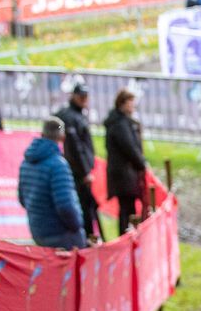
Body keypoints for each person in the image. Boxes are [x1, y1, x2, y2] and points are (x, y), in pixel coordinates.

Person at [18, 118, 87, 249]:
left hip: (38, 231)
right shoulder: (58, 164)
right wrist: (77, 225)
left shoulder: (26, 163)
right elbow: (66, 206)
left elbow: (22, 199)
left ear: (43, 133)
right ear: (62, 136)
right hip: (61, 234)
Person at [55, 84, 100, 240]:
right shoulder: (68, 116)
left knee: (88, 206)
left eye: (86, 97)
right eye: (81, 96)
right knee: (85, 207)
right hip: (76, 171)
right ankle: (87, 239)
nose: (84, 100)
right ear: (74, 96)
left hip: (77, 168)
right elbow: (75, 147)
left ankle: (88, 237)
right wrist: (85, 171)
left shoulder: (76, 115)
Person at [104, 89, 147, 237]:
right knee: (126, 209)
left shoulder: (123, 122)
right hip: (123, 175)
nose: (133, 106)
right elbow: (130, 148)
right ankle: (126, 238)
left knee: (127, 208)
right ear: (122, 103)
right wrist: (142, 164)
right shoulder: (119, 124)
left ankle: (128, 236)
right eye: (130, 102)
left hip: (124, 174)